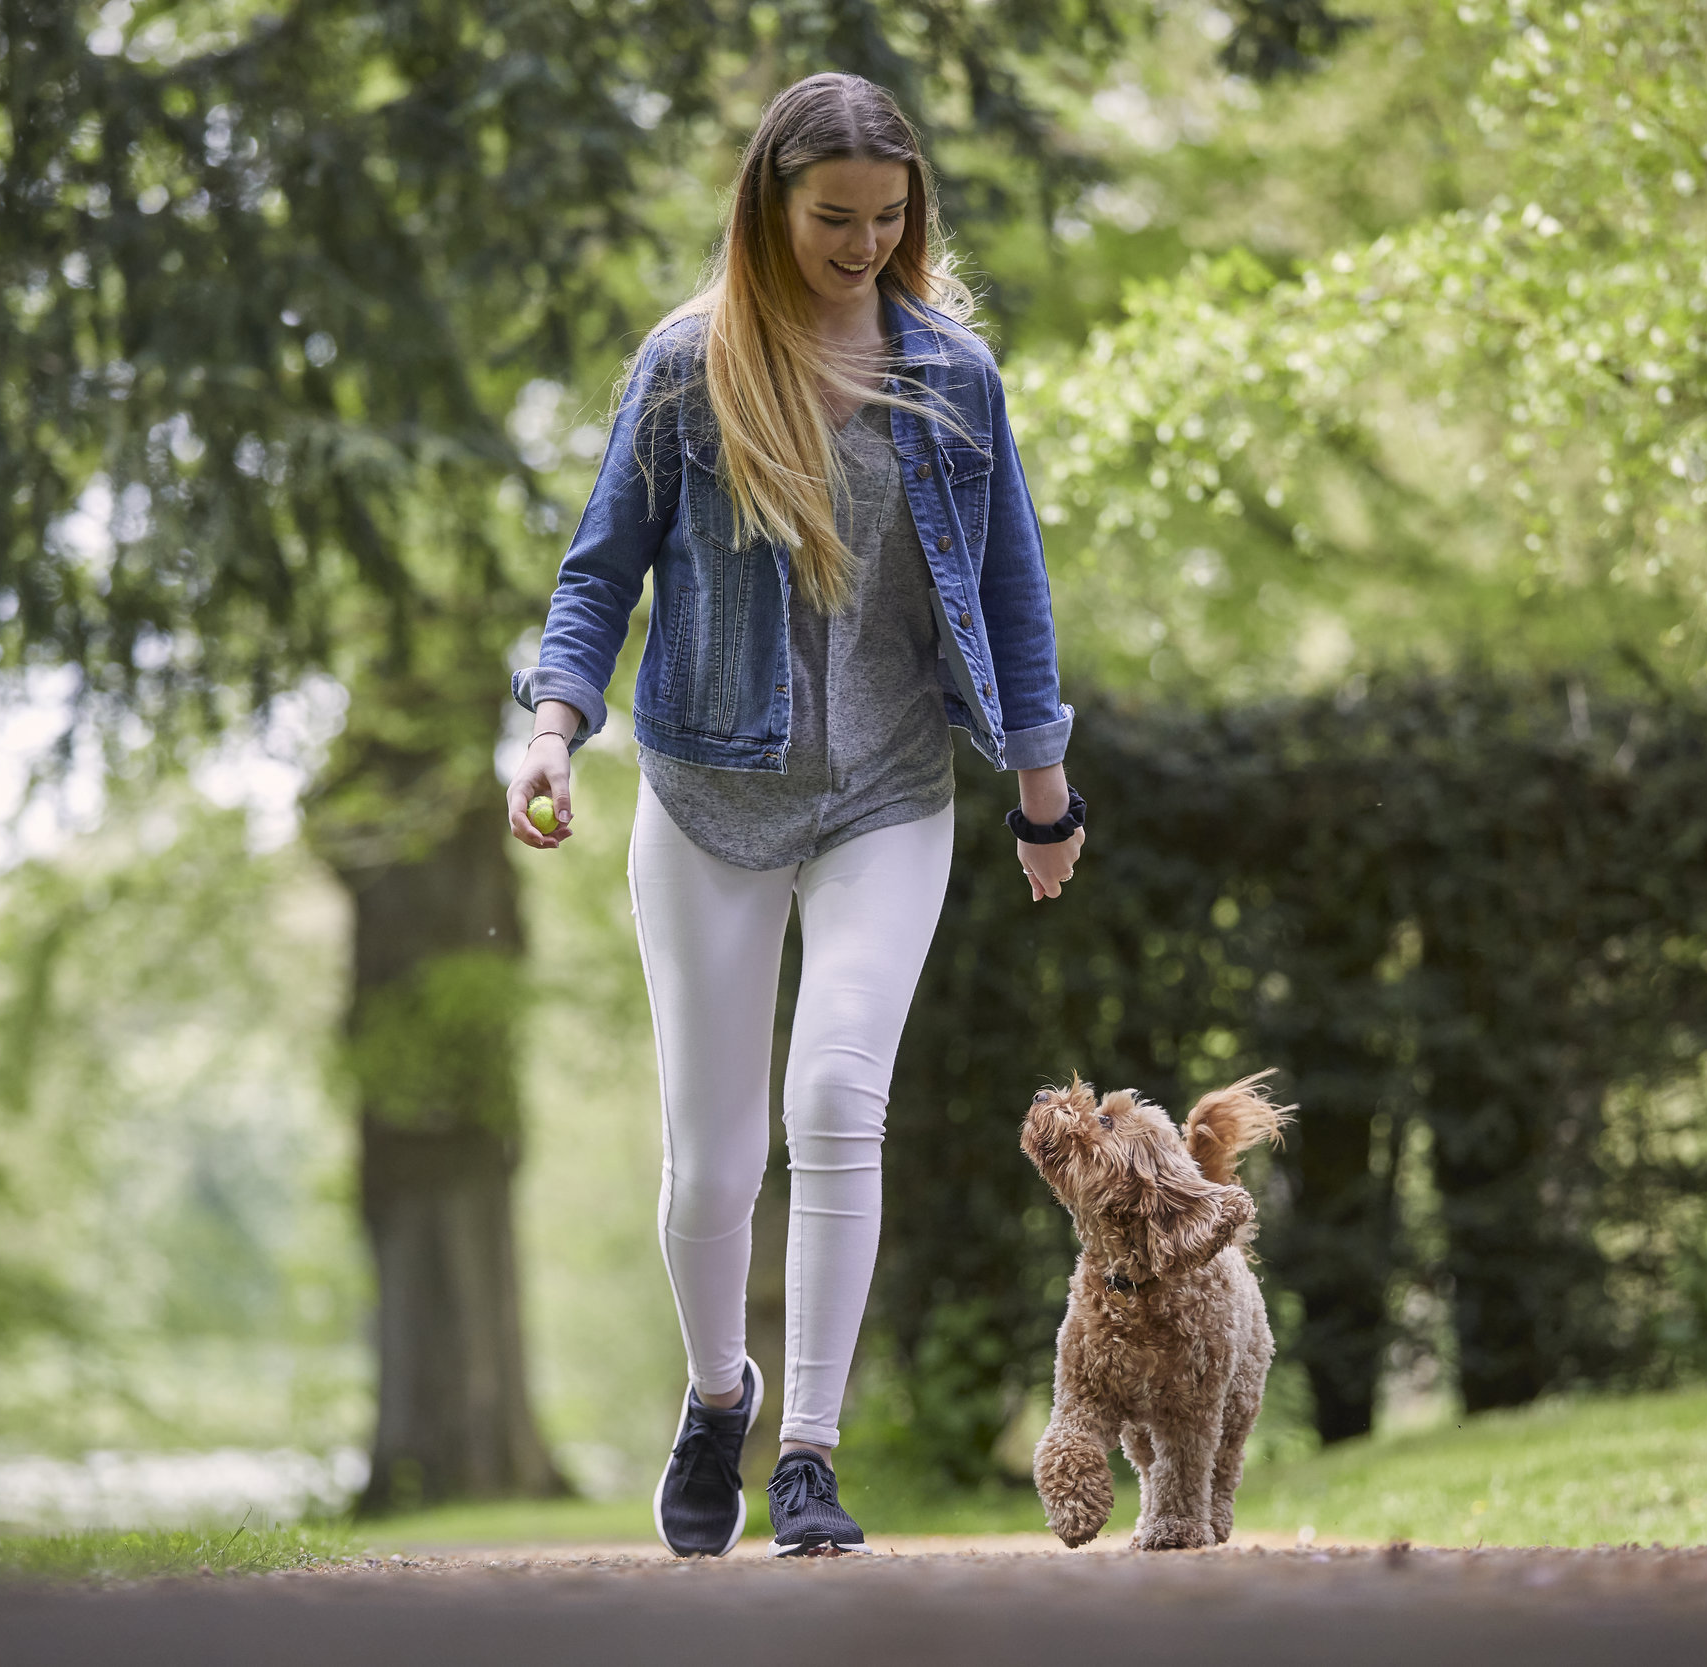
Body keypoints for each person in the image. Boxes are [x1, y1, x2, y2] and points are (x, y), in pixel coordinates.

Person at [504, 71, 1086, 1558]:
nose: (863, 244)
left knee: (835, 1100)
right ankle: (718, 1400)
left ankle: (810, 1456)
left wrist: (1041, 792)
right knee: (711, 1163)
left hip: (888, 792)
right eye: (835, 218)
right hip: (705, 789)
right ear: (770, 204)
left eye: (890, 220)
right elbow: (596, 574)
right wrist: (554, 731)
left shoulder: (951, 373)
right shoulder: (689, 369)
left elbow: (1011, 589)